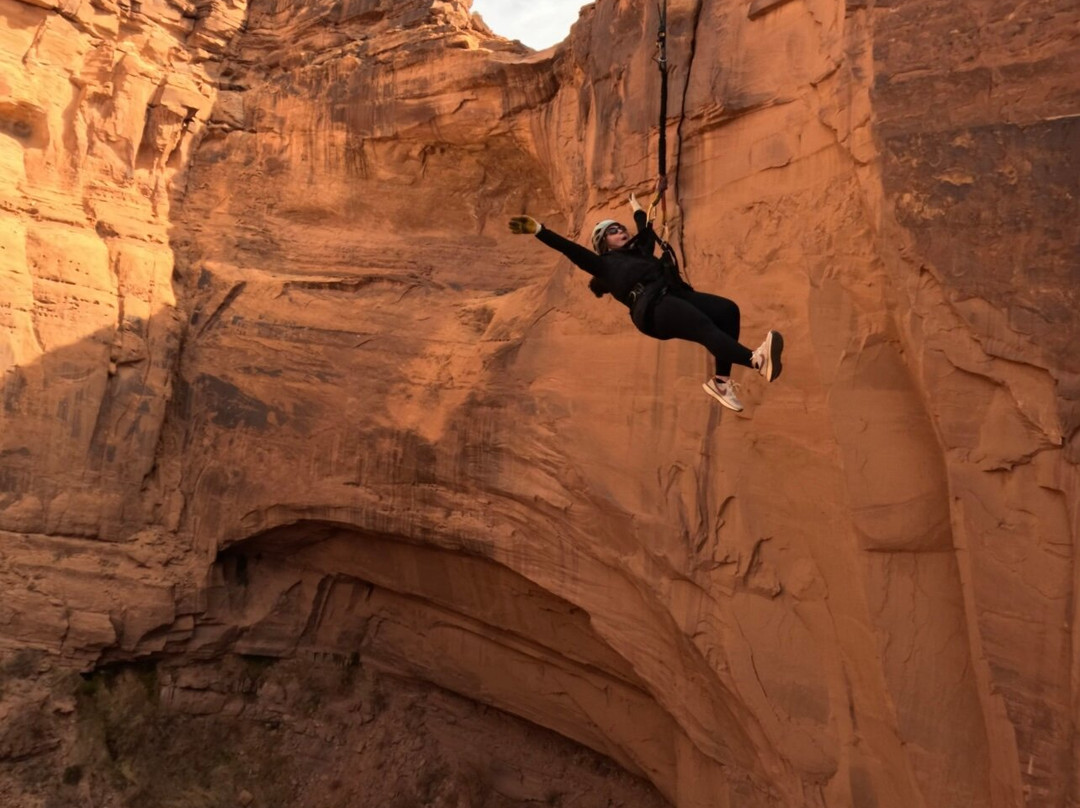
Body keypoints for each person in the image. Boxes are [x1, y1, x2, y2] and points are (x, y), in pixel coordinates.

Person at [508, 182, 783, 412]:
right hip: (652, 309)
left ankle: (721, 381)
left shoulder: (640, 252)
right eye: (613, 231)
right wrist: (539, 230)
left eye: (620, 227)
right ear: (604, 244)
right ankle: (755, 361)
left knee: (727, 311)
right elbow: (570, 250)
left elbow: (645, 230)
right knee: (703, 327)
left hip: (673, 295)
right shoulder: (603, 265)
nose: (620, 231)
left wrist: (639, 208)